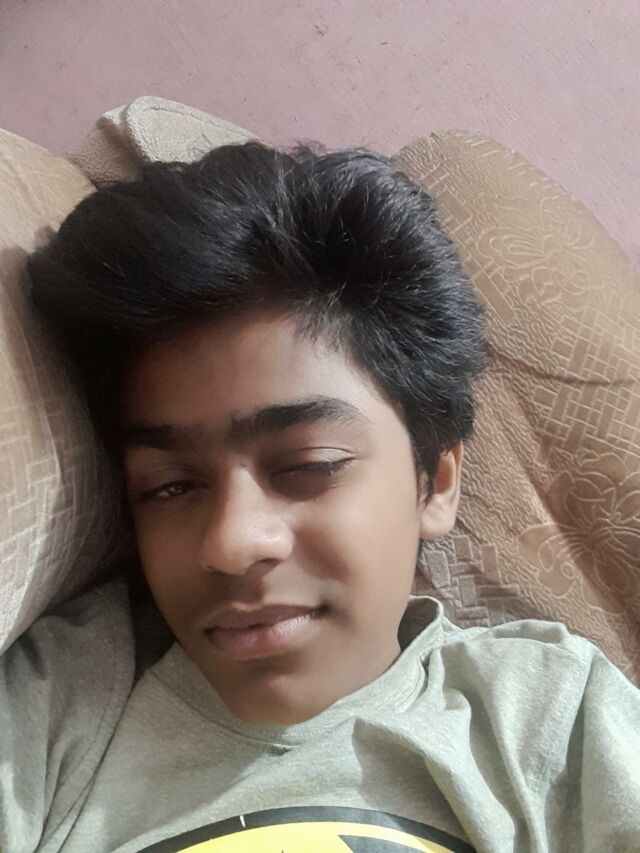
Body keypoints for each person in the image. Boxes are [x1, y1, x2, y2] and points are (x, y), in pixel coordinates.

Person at [1, 142, 638, 853]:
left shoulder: (547, 712)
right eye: (170, 486)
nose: (230, 542)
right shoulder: (60, 704)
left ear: (436, 480)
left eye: (309, 465)